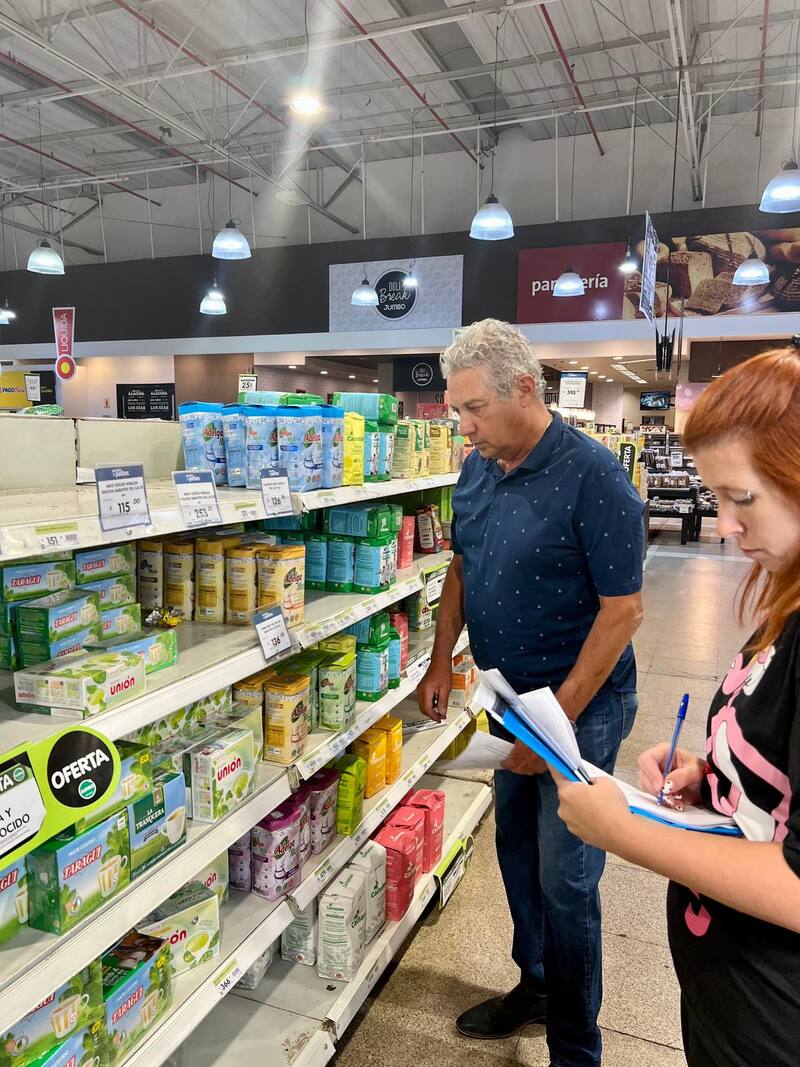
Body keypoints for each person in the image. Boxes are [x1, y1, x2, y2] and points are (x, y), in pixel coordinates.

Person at [553, 346, 800, 1067]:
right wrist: (716, 778)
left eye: (742, 498)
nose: (723, 525)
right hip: (731, 996)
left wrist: (624, 830)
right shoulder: (786, 598)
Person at [417, 319, 645, 1067]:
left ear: (524, 388)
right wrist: (439, 660)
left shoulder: (594, 476)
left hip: (582, 707)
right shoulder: (477, 468)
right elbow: (461, 564)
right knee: (515, 850)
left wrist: (553, 729)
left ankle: (576, 1048)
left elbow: (623, 610)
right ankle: (537, 984)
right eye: (457, 410)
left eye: (473, 408)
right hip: (506, 700)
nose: (464, 425)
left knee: (566, 877)